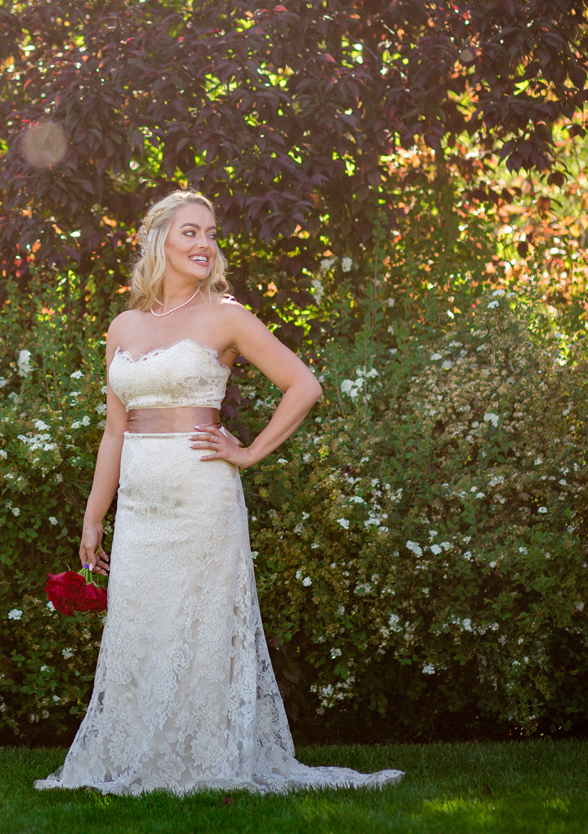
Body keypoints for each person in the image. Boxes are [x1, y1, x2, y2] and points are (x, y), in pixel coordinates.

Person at [36, 190, 401, 795]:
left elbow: (303, 385)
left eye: (210, 233)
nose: (205, 243)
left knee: (201, 627)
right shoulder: (123, 325)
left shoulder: (226, 315)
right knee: (141, 625)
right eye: (190, 233)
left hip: (202, 496)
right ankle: (134, 757)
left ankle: (205, 760)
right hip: (141, 503)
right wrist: (94, 513)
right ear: (159, 242)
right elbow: (115, 427)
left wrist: (250, 451)